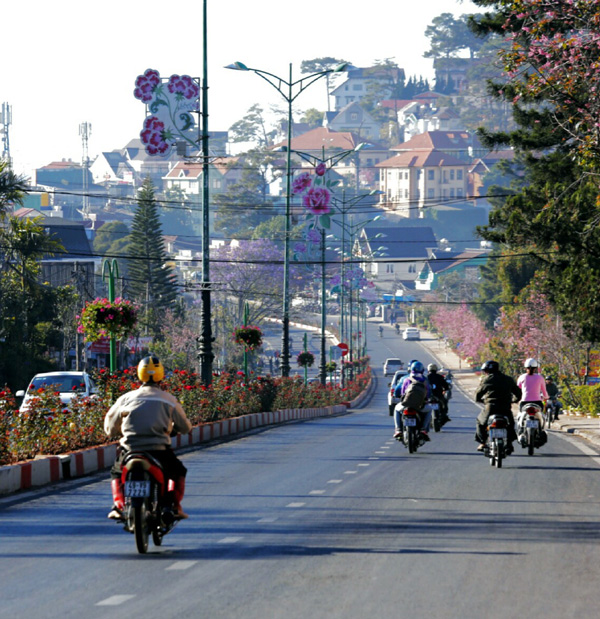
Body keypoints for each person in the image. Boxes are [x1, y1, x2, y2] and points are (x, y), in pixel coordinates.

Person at [104, 355, 193, 520]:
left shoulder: (126, 399)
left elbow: (110, 427)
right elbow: (186, 427)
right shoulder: (169, 400)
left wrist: (119, 432)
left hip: (130, 450)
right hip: (159, 450)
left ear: (139, 374)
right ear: (161, 375)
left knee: (116, 472)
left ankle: (118, 505)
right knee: (177, 471)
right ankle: (172, 505)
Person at [475, 360, 521, 452]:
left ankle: (483, 443)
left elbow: (478, 394)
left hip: (490, 408)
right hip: (505, 408)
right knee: (510, 424)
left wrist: (480, 400)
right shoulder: (508, 379)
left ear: (488, 371)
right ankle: (509, 443)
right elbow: (518, 393)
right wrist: (514, 400)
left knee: (480, 422)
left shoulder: (487, 379)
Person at [393, 360, 432, 442]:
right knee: (429, 410)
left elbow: (402, 391)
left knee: (396, 409)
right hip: (420, 405)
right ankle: (424, 429)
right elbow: (428, 392)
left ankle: (398, 429)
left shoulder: (406, 379)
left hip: (406, 404)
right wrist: (427, 399)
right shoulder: (424, 380)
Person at [516, 358, 549, 446]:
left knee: (519, 417)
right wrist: (546, 397)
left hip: (524, 403)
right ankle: (541, 430)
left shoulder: (522, 377)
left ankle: (520, 432)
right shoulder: (540, 378)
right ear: (536, 368)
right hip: (537, 402)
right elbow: (544, 392)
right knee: (542, 417)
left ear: (525, 367)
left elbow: (517, 390)